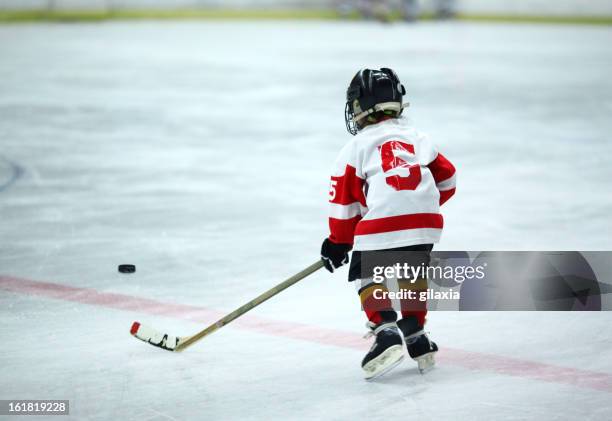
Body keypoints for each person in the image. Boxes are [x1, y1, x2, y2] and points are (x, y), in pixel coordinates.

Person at [320, 68, 456, 379]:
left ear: (359, 107)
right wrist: (420, 205)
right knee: (412, 273)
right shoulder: (419, 138)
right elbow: (448, 179)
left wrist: (338, 242)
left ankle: (386, 331)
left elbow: (344, 202)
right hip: (424, 223)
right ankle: (416, 334)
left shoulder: (356, 147)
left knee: (366, 273)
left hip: (381, 224)